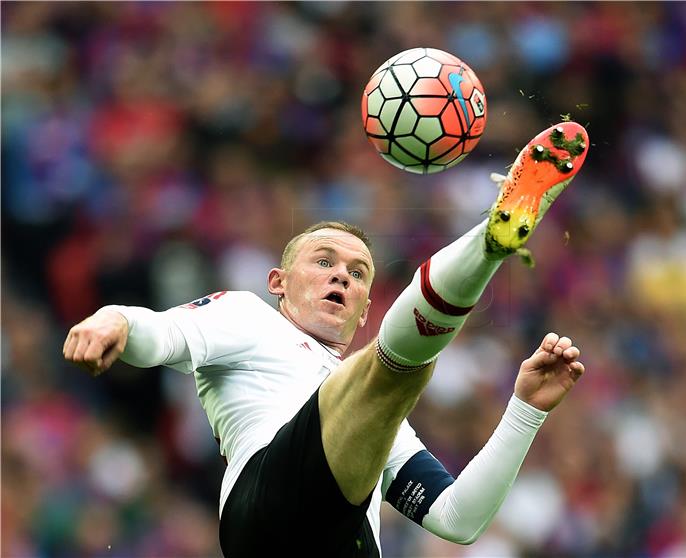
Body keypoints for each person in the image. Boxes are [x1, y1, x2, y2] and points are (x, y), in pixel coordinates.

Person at [63, 122, 589, 557]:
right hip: (266, 510)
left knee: (388, 380)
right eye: (323, 262)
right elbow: (162, 333)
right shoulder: (247, 316)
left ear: (364, 311)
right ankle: (491, 237)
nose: (341, 276)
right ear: (278, 283)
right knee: (401, 368)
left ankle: (490, 239)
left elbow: (456, 518)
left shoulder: (377, 415)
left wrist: (526, 410)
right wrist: (113, 319)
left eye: (358, 273)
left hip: (344, 544)